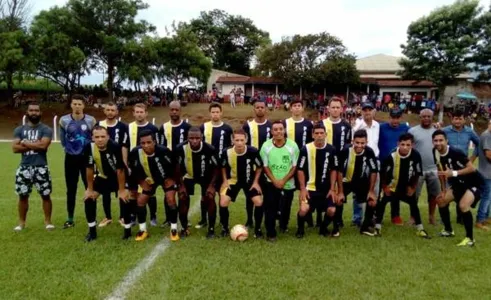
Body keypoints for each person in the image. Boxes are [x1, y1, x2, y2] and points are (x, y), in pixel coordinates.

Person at [433, 130, 485, 247]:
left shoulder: (456, 152)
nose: (438, 143)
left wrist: (454, 173)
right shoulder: (435, 152)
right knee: (441, 200)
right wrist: (443, 190)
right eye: (435, 140)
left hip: (474, 183)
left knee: (463, 205)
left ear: (446, 141)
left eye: (441, 140)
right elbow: (440, 171)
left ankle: (470, 239)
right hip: (459, 183)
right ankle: (448, 230)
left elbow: (471, 168)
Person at [375, 133, 430, 239]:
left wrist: (413, 187)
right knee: (381, 203)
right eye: (403, 144)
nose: (405, 147)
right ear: (398, 144)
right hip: (392, 186)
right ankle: (377, 227)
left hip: (406, 187)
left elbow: (417, 173)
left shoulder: (416, 155)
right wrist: (384, 187)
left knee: (414, 205)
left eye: (408, 145)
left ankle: (420, 229)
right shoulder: (391, 155)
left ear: (412, 145)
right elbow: (383, 173)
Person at [129, 130, 180, 242]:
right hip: (149, 180)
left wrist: (172, 179)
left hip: (165, 179)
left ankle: (174, 229)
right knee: (141, 201)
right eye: (143, 143)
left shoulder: (164, 151)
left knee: (170, 199)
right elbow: (132, 169)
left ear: (154, 142)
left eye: (149, 142)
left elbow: (175, 166)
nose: (146, 145)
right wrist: (141, 181)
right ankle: (143, 230)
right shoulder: (135, 152)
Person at [12, 102, 54, 231]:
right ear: (27, 112)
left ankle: (48, 222)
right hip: (24, 167)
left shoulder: (46, 129)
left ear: (40, 113)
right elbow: (14, 148)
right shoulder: (19, 130)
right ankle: (21, 223)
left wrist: (24, 142)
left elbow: (43, 146)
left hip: (41, 166)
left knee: (45, 195)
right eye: (31, 110)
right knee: (22, 196)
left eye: (36, 110)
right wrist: (34, 144)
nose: (34, 113)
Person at [83, 126, 128, 242]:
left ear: (108, 137)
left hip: (118, 178)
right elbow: (89, 168)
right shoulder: (89, 147)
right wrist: (90, 189)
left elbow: (120, 169)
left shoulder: (115, 147)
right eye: (97, 137)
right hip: (103, 178)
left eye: (103, 136)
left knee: (125, 198)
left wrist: (122, 190)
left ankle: (127, 231)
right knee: (88, 199)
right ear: (92, 137)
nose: (100, 139)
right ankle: (92, 232)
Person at [175, 127, 220, 238]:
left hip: (206, 176)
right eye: (191, 138)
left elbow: (216, 168)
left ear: (201, 138)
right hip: (188, 176)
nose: (194, 141)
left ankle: (211, 229)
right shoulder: (180, 148)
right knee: (182, 197)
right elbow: (176, 168)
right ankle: (184, 228)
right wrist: (180, 185)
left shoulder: (210, 149)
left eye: (197, 138)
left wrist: (212, 185)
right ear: (187, 138)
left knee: (209, 197)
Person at [59, 94, 96, 229]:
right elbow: (63, 140)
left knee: (89, 187)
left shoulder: (91, 120)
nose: (77, 106)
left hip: (87, 159)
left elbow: (94, 138)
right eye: (74, 104)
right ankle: (70, 218)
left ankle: (92, 218)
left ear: (84, 106)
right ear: (71, 105)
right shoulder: (64, 120)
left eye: (80, 104)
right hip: (70, 158)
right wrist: (69, 150)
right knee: (71, 189)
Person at [219, 129, 264, 238]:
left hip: (249, 181)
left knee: (258, 202)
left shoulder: (252, 151)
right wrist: (225, 180)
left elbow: (259, 166)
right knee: (223, 202)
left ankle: (258, 230)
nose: (239, 142)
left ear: (246, 140)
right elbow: (223, 167)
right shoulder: (226, 152)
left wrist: (256, 182)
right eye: (237, 140)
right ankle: (224, 228)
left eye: (242, 140)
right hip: (233, 181)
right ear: (232, 141)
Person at [296, 123, 338, 238]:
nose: (319, 136)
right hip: (310, 188)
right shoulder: (305, 149)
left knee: (331, 210)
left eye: (321, 133)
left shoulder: (331, 149)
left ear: (326, 134)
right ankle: (300, 230)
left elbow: (334, 169)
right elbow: (300, 170)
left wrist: (332, 189)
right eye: (317, 133)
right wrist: (303, 189)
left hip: (326, 190)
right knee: (303, 210)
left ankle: (323, 229)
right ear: (312, 135)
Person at [260, 121, 299, 242]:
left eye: (281, 129)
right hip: (270, 182)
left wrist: (283, 180)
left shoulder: (293, 146)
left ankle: (283, 225)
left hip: (288, 182)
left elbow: (294, 167)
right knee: (270, 207)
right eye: (275, 129)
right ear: (271, 132)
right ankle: (271, 233)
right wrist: (275, 181)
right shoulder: (266, 146)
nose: (278, 132)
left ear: (284, 130)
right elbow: (265, 167)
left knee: (285, 207)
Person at [198, 103, 233, 229]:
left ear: (221, 113)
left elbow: (230, 148)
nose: (215, 114)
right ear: (210, 113)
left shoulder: (228, 129)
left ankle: (223, 221)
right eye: (213, 112)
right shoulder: (203, 127)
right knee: (205, 195)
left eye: (217, 112)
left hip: (223, 167)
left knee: (222, 195)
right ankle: (203, 219)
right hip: (207, 168)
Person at [337, 129, 378, 236]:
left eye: (362, 143)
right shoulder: (346, 150)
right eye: (357, 143)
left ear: (366, 142)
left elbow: (374, 171)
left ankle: (365, 227)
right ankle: (337, 223)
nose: (359, 145)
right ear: (352, 141)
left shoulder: (369, 152)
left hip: (361, 182)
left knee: (372, 201)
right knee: (338, 199)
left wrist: (371, 191)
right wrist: (340, 191)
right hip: (347, 181)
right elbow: (340, 171)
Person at [442, 109, 480, 224]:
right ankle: (445, 218)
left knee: (462, 192)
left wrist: (472, 158)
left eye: (460, 118)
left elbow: (479, 144)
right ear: (451, 119)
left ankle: (461, 217)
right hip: (448, 167)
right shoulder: (445, 131)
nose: (457, 121)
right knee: (448, 191)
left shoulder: (469, 132)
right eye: (455, 118)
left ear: (464, 119)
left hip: (463, 168)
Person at [96, 102, 129, 227]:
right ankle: (107, 217)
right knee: (105, 191)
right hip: (103, 164)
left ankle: (122, 216)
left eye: (112, 110)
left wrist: (124, 163)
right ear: (104, 111)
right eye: (108, 109)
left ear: (117, 112)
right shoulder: (99, 125)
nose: (110, 112)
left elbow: (125, 145)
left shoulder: (122, 126)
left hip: (118, 163)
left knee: (121, 190)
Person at [158, 100, 191, 226]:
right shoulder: (163, 127)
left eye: (176, 110)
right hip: (168, 166)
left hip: (184, 166)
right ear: (169, 111)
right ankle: (169, 219)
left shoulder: (187, 127)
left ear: (180, 111)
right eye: (172, 109)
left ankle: (184, 219)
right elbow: (160, 147)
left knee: (183, 194)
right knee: (168, 193)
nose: (174, 112)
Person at [322, 97, 352, 228]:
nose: (335, 109)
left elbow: (348, 144)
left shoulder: (346, 126)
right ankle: (319, 218)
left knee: (340, 190)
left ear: (342, 109)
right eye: (332, 107)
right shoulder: (322, 124)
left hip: (340, 164)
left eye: (337, 107)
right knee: (324, 189)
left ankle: (338, 218)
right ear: (328, 109)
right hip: (325, 163)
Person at [128, 103, 159, 227]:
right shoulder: (129, 127)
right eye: (137, 112)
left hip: (149, 165)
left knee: (150, 190)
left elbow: (157, 147)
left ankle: (153, 216)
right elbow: (125, 146)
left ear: (146, 113)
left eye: (142, 112)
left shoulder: (153, 128)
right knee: (133, 192)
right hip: (133, 165)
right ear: (133, 113)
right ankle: (133, 216)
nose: (139, 114)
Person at [242, 100, 271, 228]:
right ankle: (249, 220)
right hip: (252, 166)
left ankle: (265, 219)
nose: (260, 109)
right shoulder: (247, 126)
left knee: (268, 194)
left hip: (268, 165)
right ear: (254, 109)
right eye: (257, 107)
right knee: (251, 194)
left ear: (266, 109)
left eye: (262, 107)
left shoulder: (271, 126)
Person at [408, 109, 440, 225]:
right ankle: (413, 217)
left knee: (434, 195)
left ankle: (431, 216)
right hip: (418, 169)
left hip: (434, 168)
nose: (426, 118)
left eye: (429, 116)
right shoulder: (412, 131)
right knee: (414, 195)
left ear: (432, 117)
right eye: (424, 116)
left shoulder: (437, 131)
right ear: (420, 117)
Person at [378, 108, 409, 225]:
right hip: (382, 164)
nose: (395, 120)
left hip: (398, 165)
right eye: (393, 118)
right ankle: (377, 214)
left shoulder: (405, 129)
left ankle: (395, 215)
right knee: (381, 191)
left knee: (396, 190)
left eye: (397, 118)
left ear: (401, 118)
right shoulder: (381, 128)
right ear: (389, 117)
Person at [351, 102, 380, 227]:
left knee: (374, 189)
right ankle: (357, 218)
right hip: (360, 159)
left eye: (369, 110)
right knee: (358, 190)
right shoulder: (357, 125)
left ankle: (371, 216)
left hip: (374, 159)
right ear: (361, 112)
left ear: (373, 111)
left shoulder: (377, 125)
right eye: (365, 110)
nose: (367, 112)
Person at [476, 119, 491, 229]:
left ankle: (485, 217)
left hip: (488, 172)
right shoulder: (487, 136)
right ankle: (480, 220)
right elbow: (488, 154)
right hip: (486, 172)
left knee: (489, 197)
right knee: (486, 197)